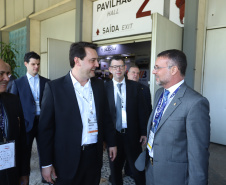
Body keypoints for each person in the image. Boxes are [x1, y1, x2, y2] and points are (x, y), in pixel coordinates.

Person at [38, 42, 117, 185]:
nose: (97, 65)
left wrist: (112, 142)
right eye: (92, 60)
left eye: (96, 60)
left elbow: (106, 117)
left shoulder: (99, 86)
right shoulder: (54, 88)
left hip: (94, 156)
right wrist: (46, 163)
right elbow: (45, 130)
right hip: (66, 159)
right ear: (77, 60)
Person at [135, 49, 210, 185]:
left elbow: (198, 154)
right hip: (150, 168)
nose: (153, 71)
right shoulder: (159, 94)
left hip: (173, 176)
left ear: (174, 69)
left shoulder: (195, 103)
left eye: (157, 67)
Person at [105, 56, 148, 185]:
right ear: (110, 69)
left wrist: (143, 132)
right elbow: (103, 115)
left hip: (132, 135)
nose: (118, 69)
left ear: (125, 68)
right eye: (114, 66)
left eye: (121, 66)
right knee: (115, 170)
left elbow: (142, 111)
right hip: (113, 137)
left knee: (138, 169)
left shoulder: (135, 87)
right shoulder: (103, 88)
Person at [10, 51, 50, 183]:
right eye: (33, 64)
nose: (36, 67)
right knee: (25, 152)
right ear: (26, 64)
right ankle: (24, 178)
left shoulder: (47, 82)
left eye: (38, 64)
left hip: (43, 122)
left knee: (45, 150)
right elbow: (14, 105)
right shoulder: (18, 83)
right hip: (26, 123)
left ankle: (46, 178)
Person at [0, 59, 29, 185]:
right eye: (1, 74)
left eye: (8, 73)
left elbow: (22, 139)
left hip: (10, 170)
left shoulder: (13, 100)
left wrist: (23, 172)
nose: (7, 78)